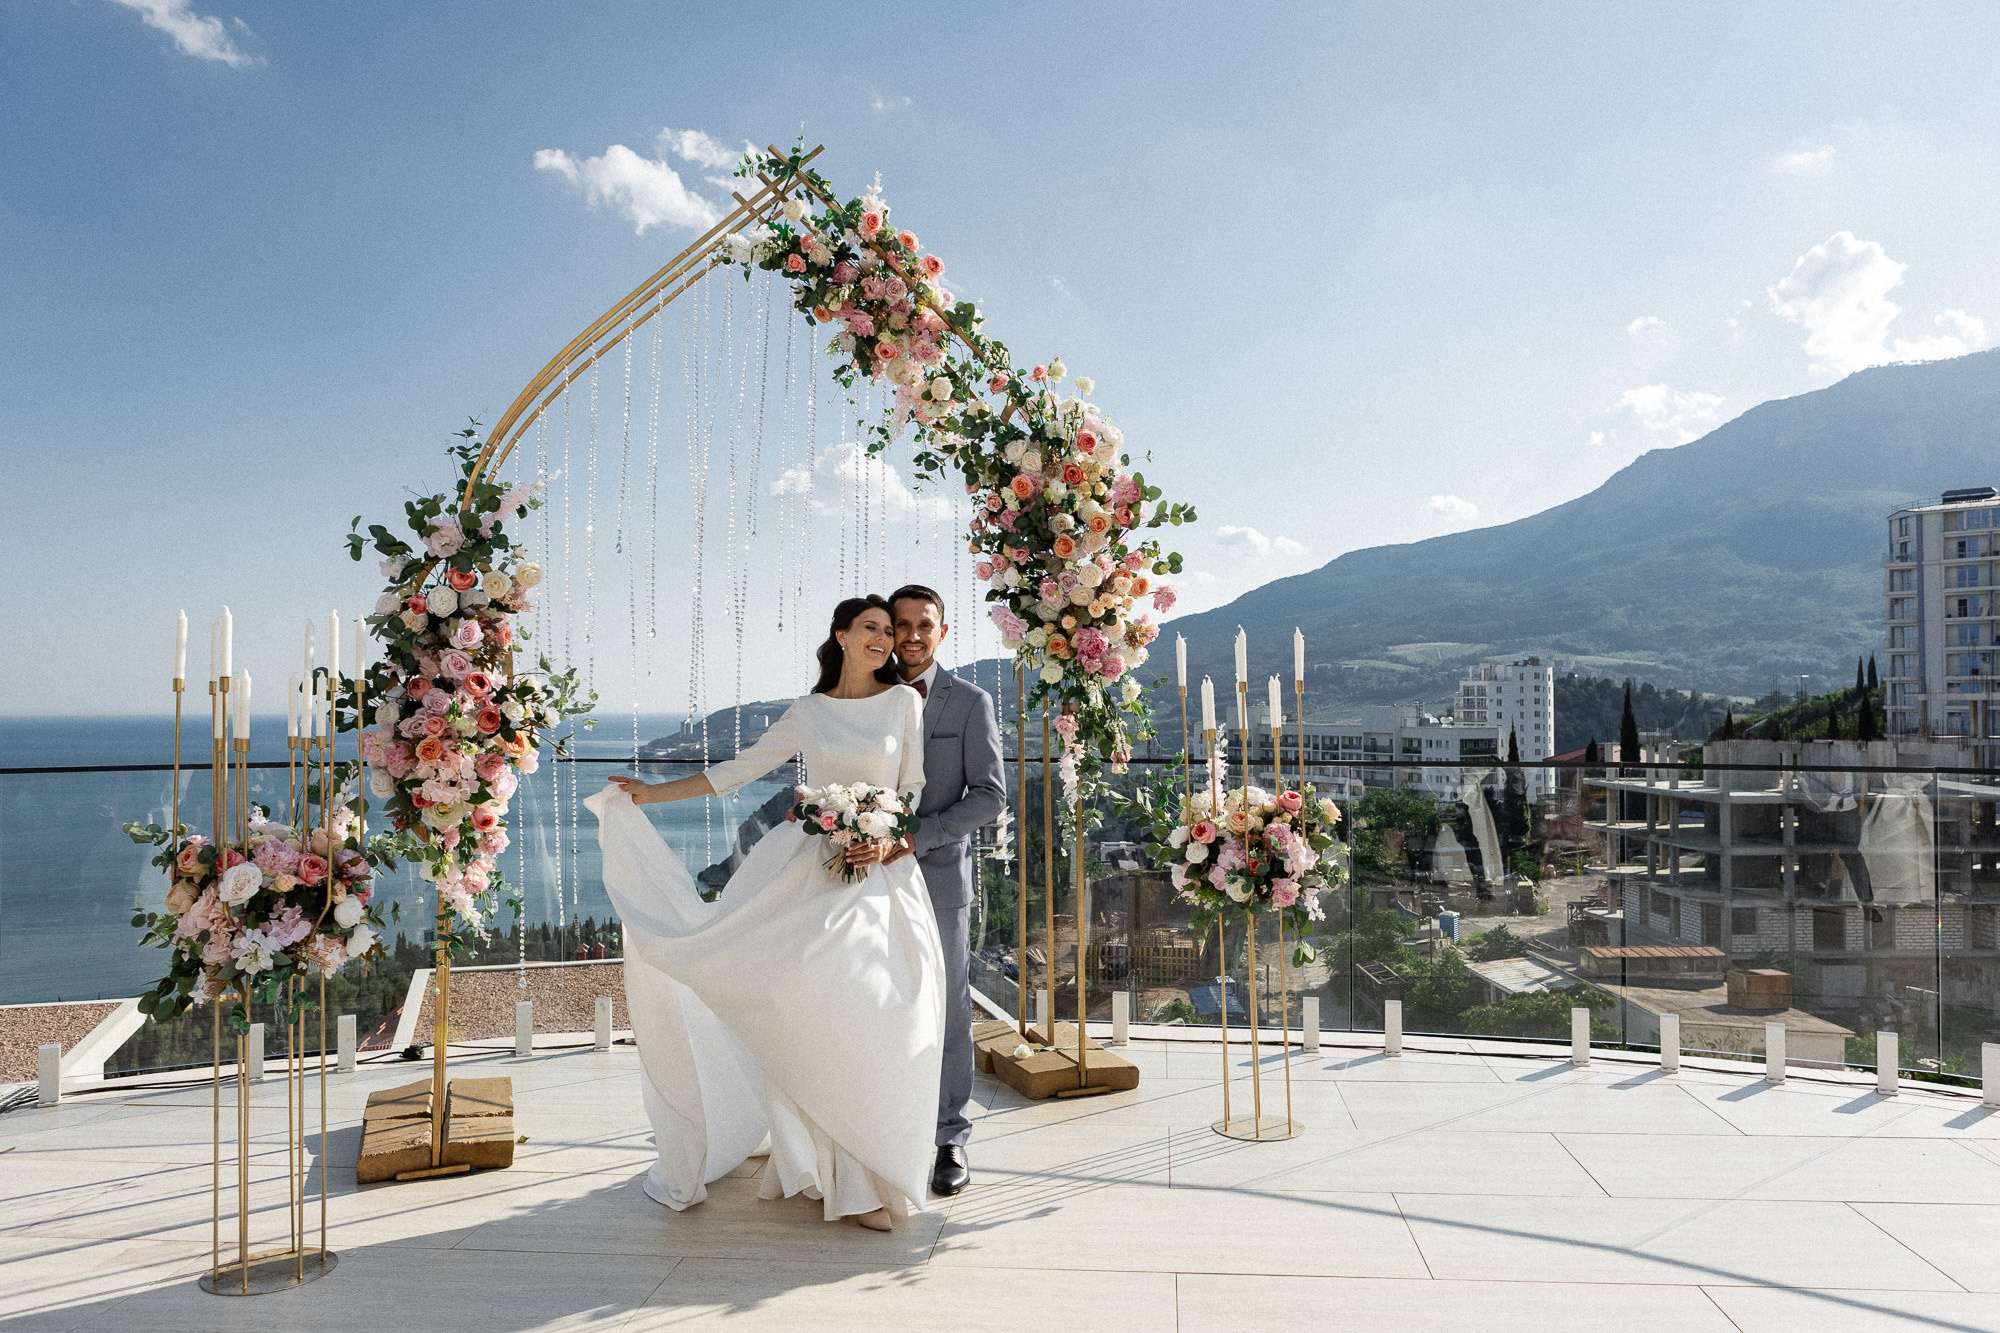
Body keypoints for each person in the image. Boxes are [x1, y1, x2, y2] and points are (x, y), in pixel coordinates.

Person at [586, 596, 944, 1232]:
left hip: (880, 875)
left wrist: (885, 835)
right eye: (871, 628)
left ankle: (874, 1167)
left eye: (889, 631)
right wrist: (653, 793)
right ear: (840, 635)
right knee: (807, 1013)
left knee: (878, 1016)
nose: (885, 639)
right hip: (810, 871)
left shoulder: (904, 703)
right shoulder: (808, 711)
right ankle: (843, 1181)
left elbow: (912, 788)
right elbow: (740, 770)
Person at [881, 584, 1006, 1196]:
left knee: (948, 1005)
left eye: (922, 624)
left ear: (941, 632)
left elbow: (990, 796)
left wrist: (920, 835)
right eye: (900, 624)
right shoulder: (865, 695)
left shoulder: (970, 702)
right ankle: (879, 1128)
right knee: (873, 999)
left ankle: (948, 1136)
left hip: (936, 878)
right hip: (865, 877)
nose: (910, 635)